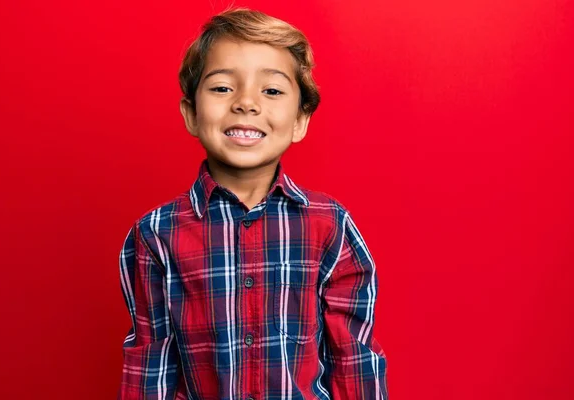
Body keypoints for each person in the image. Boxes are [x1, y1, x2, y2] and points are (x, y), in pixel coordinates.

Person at [118, 7, 388, 399]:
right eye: (223, 88)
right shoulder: (155, 235)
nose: (246, 102)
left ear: (300, 120)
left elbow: (354, 358)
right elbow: (151, 365)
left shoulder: (330, 226)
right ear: (191, 114)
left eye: (272, 90)